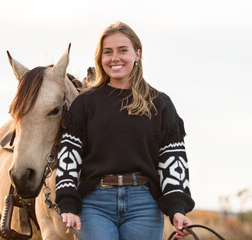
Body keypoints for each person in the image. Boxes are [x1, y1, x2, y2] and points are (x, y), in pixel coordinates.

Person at [55, 21, 195, 240]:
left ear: (137, 54)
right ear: (100, 58)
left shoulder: (160, 104)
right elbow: (69, 158)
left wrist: (177, 208)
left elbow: (173, 161)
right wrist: (68, 205)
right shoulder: (84, 104)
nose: (115, 58)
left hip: (145, 206)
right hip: (94, 205)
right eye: (108, 52)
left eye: (123, 50)